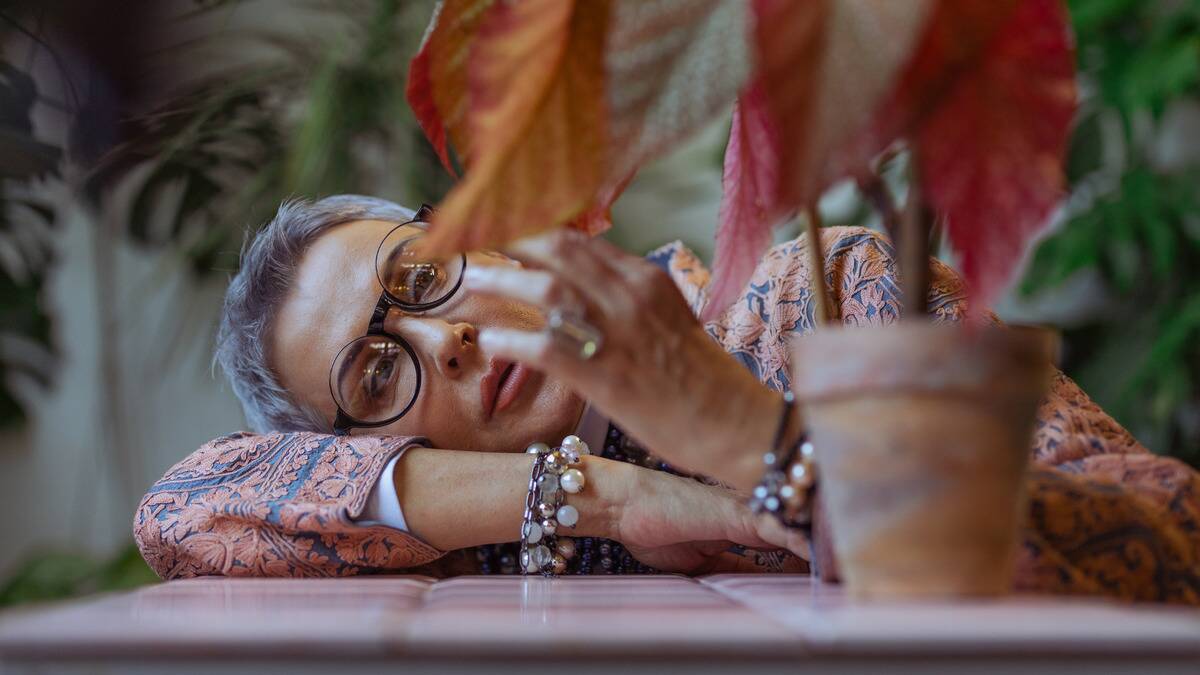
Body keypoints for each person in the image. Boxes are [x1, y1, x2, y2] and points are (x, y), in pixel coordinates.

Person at [135, 195, 1199, 602]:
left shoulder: (819, 301)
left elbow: (1171, 535)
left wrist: (753, 441)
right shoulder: (462, 526)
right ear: (358, 445)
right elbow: (180, 511)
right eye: (378, 372)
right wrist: (587, 498)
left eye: (422, 277)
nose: (446, 338)